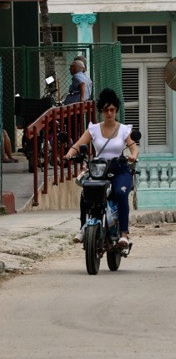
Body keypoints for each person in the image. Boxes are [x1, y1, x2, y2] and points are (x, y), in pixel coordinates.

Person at [64, 88, 139, 246]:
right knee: (86, 194)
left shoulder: (124, 130)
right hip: (99, 170)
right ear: (101, 111)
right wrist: (68, 155)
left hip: (120, 169)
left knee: (120, 193)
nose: (109, 113)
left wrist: (133, 156)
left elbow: (133, 147)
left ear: (116, 110)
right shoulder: (93, 129)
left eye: (112, 109)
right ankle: (84, 228)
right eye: (106, 110)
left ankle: (124, 233)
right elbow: (77, 145)